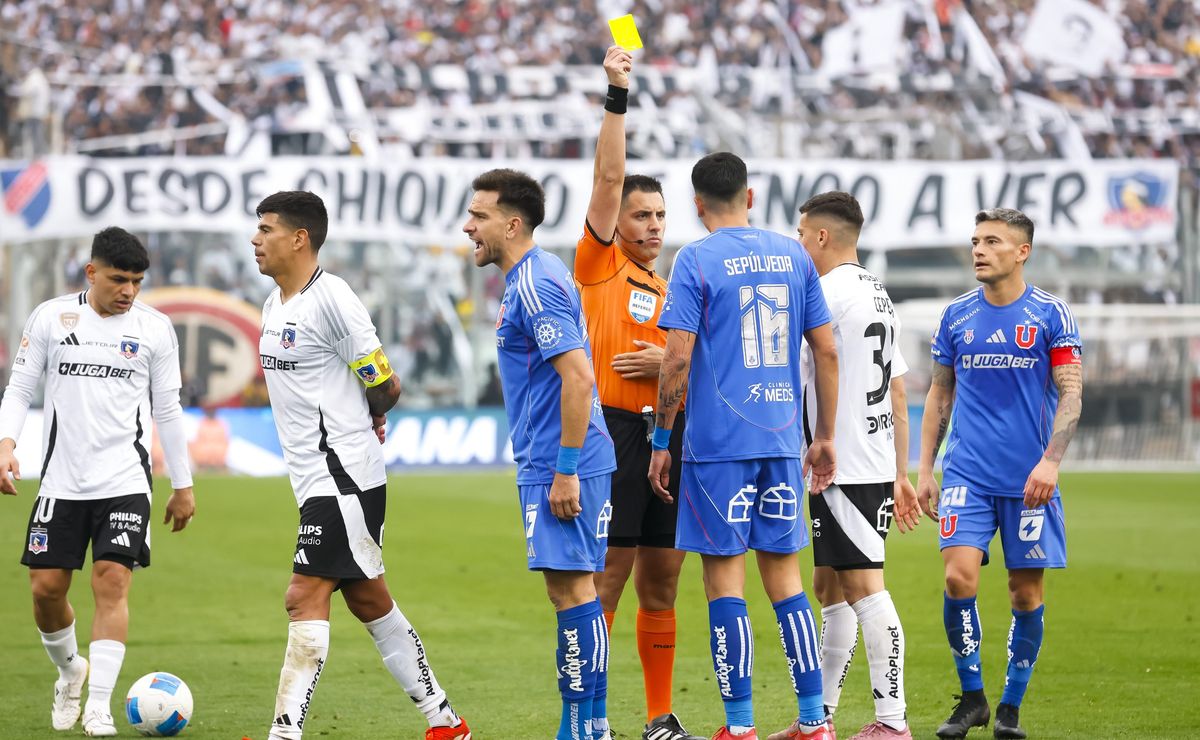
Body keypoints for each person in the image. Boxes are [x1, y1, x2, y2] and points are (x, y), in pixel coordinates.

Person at [253, 191, 469, 740]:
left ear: (299, 238)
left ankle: (284, 732)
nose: (256, 239)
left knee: (302, 595)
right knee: (370, 599)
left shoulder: (335, 300)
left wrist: (370, 415)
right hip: (314, 478)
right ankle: (446, 722)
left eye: (266, 229)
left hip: (343, 474)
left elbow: (385, 383)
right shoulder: (272, 305)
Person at [649, 152, 840, 740]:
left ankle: (740, 726)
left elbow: (676, 357)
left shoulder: (695, 259)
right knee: (786, 581)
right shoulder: (792, 254)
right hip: (782, 439)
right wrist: (824, 435)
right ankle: (815, 722)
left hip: (717, 448)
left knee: (723, 581)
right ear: (750, 197)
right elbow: (827, 351)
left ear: (697, 203)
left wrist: (661, 439)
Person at [0, 226, 196, 737]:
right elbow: (20, 387)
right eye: (118, 279)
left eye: (136, 281)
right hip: (61, 482)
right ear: (91, 273)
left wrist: (183, 483)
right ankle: (71, 672)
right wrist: (5, 445)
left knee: (111, 579)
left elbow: (168, 409)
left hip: (125, 478)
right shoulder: (51, 317)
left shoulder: (154, 329)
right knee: (46, 589)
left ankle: (100, 706)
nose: (129, 290)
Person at [573, 45, 703, 740]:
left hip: (668, 436)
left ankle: (659, 715)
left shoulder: (669, 286)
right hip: (615, 436)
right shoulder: (598, 265)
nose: (653, 226)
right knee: (609, 580)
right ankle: (590, 716)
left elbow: (687, 366)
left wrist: (671, 367)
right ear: (615, 221)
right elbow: (608, 172)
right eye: (641, 215)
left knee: (663, 580)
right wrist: (617, 94)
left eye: (659, 216)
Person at [917, 208, 1083, 740]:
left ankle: (1010, 706)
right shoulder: (956, 316)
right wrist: (924, 469)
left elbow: (1071, 392)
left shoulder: (1051, 314)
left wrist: (1050, 462)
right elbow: (939, 393)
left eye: (992, 241)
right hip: (966, 472)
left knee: (1023, 593)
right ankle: (972, 699)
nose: (979, 250)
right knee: (956, 576)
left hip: (1029, 479)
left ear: (1022, 251)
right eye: (975, 241)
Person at [464, 168, 617, 740]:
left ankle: (577, 728)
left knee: (571, 592)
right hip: (567, 456)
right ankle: (592, 725)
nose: (468, 226)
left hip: (562, 461)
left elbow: (578, 379)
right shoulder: (538, 274)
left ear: (511, 223)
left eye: (478, 216)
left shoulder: (533, 282)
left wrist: (565, 470)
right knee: (579, 590)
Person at [795, 192, 921, 740]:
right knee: (830, 585)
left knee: (865, 587)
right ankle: (818, 717)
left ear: (822, 236)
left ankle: (892, 721)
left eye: (803, 235)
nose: (801, 245)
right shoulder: (877, 291)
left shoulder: (823, 293)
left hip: (840, 462)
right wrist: (901, 469)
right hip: (868, 458)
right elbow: (897, 390)